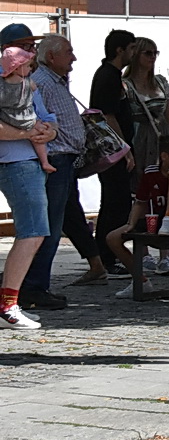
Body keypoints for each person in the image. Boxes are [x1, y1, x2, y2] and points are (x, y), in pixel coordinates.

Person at [21, 34, 86, 307]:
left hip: (64, 160)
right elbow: (35, 120)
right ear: (51, 57)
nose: (73, 57)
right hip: (54, 161)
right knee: (47, 226)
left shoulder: (54, 80)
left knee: (53, 224)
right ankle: (33, 286)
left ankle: (36, 284)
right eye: (68, 52)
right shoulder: (43, 82)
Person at [0, 37, 59, 329]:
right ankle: (7, 305)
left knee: (35, 232)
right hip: (14, 163)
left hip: (27, 162)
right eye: (24, 46)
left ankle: (9, 302)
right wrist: (29, 134)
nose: (31, 51)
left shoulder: (26, 81)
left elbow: (46, 116)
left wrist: (49, 131)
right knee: (34, 231)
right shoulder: (6, 82)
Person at [122, 36, 169, 273]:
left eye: (155, 53)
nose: (152, 57)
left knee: (167, 189)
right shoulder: (126, 84)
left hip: (161, 138)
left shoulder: (160, 82)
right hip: (139, 138)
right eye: (147, 52)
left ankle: (165, 253)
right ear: (135, 54)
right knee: (141, 192)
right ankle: (144, 250)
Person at [103, 135, 169, 289]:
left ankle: (165, 260)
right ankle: (140, 280)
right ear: (164, 156)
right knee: (113, 238)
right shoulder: (151, 172)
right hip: (154, 219)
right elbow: (140, 201)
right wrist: (131, 223)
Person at [88, 28, 138, 276]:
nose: (133, 54)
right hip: (113, 151)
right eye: (130, 48)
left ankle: (107, 254)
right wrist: (124, 148)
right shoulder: (107, 75)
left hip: (117, 150)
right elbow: (107, 115)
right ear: (120, 50)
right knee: (114, 203)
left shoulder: (113, 75)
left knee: (117, 202)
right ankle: (108, 255)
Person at [0, 46, 53, 175]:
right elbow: (34, 88)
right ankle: (45, 161)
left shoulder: (2, 84)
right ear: (17, 68)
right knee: (37, 134)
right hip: (26, 118)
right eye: (28, 66)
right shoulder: (28, 83)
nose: (30, 69)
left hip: (9, 118)